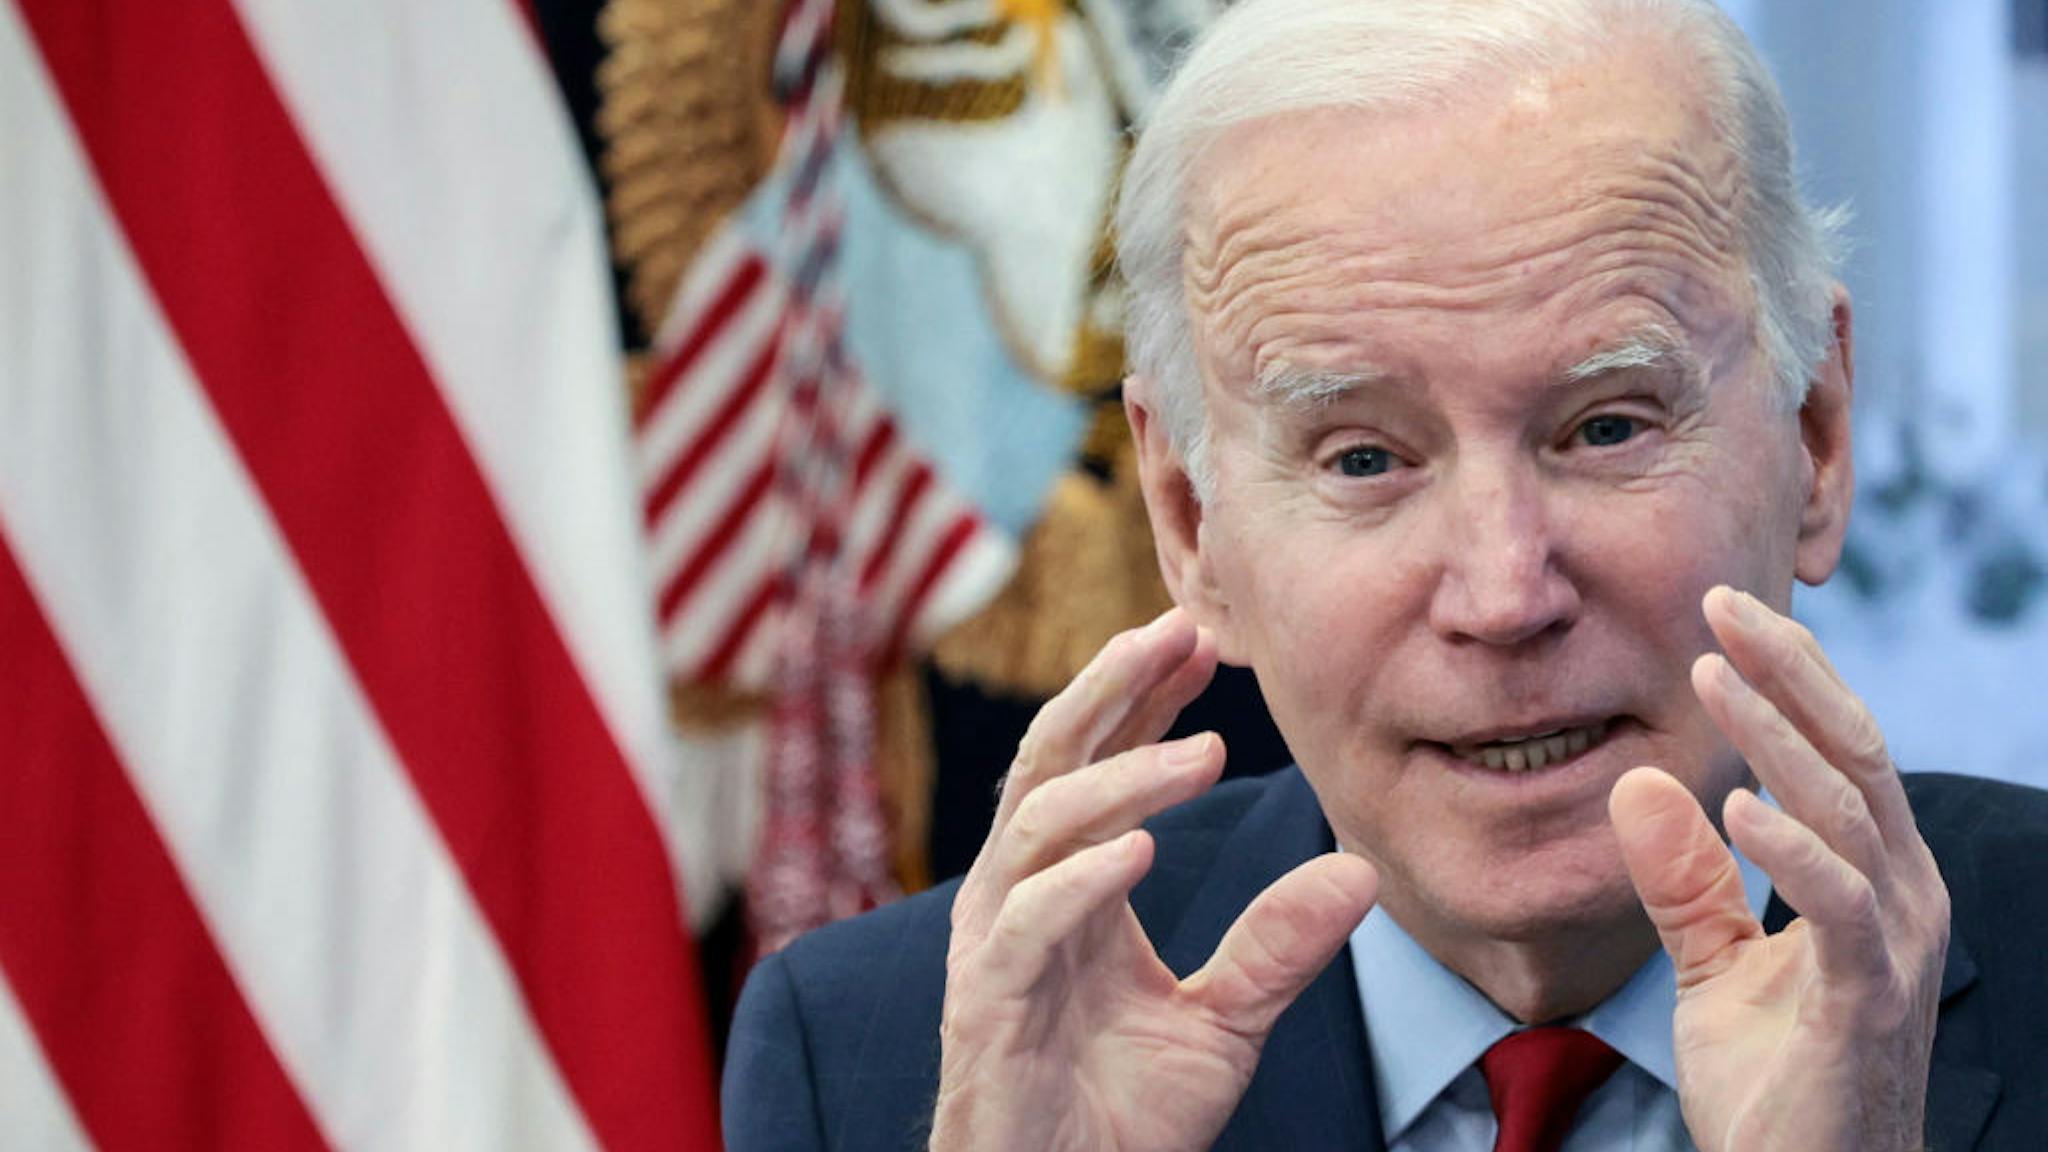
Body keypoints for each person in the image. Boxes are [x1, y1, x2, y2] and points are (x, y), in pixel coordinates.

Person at [722, 1, 2048, 1148]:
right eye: (1364, 459)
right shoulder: (872, 1058)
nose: (1503, 595)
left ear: (1816, 438)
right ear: (1191, 524)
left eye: (1607, 428)